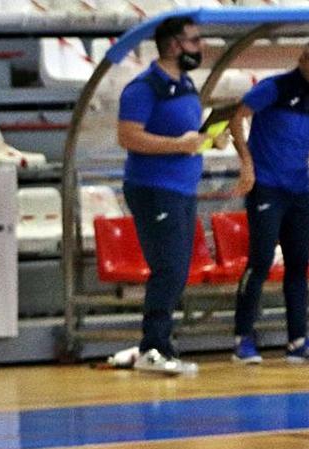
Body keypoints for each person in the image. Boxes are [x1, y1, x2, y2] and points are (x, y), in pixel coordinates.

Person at [228, 36, 309, 365]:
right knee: (261, 261)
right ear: (303, 61)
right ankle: (242, 338)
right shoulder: (274, 88)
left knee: (298, 265)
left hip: (297, 189)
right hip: (266, 186)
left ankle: (298, 341)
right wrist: (246, 164)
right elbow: (236, 118)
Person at [116, 16, 205, 376]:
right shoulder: (144, 87)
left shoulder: (185, 85)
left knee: (178, 268)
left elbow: (186, 134)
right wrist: (177, 145)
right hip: (155, 188)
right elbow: (128, 136)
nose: (200, 47)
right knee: (167, 267)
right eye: (194, 41)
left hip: (183, 188)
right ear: (173, 45)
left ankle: (159, 342)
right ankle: (153, 346)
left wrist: (203, 140)